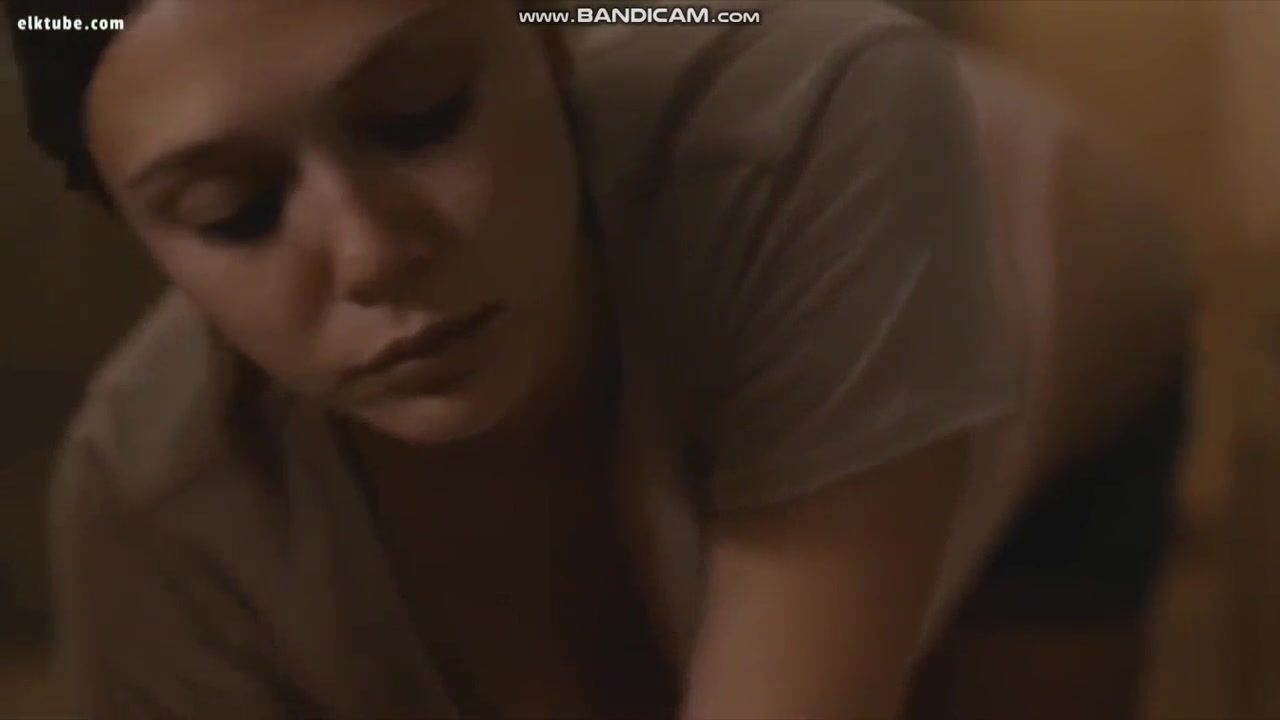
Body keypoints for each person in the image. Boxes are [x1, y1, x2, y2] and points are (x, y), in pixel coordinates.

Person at [4, 0, 1188, 717]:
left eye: (421, 113)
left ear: (548, 35)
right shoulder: (150, 504)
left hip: (1051, 312)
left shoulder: (821, 125)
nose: (370, 255)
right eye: (233, 212)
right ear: (137, 233)